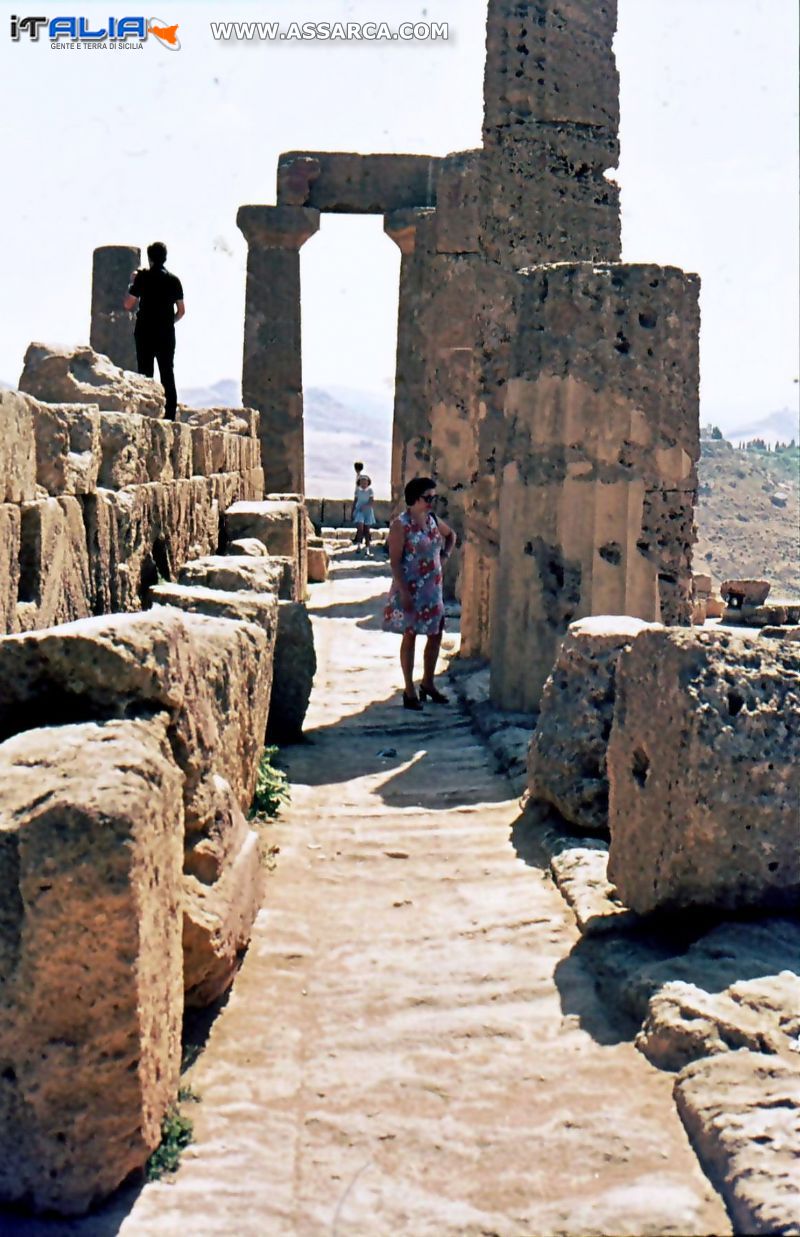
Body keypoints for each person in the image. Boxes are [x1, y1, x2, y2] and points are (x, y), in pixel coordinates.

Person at [382, 476, 456, 710]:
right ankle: (409, 689)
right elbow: (395, 562)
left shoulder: (432, 520)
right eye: (428, 498)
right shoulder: (400, 525)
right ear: (415, 498)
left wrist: (444, 557)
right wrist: (403, 592)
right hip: (411, 588)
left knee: (435, 634)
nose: (432, 502)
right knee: (410, 635)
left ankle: (428, 683)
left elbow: (451, 536)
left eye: (434, 497)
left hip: (432, 589)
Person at [123, 241, 184, 420]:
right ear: (165, 258)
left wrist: (132, 283)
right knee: (167, 371)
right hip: (165, 332)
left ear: (149, 258)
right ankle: (170, 414)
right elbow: (181, 311)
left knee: (145, 372)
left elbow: (128, 304)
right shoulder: (174, 280)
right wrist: (169, 322)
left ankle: (146, 411)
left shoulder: (142, 278)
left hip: (145, 331)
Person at [353, 473, 376, 555]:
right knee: (360, 529)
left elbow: (371, 501)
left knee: (367, 531)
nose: (364, 483)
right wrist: (353, 511)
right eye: (362, 482)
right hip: (359, 511)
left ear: (368, 483)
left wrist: (365, 506)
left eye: (365, 482)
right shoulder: (357, 491)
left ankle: (367, 549)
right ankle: (358, 546)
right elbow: (355, 501)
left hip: (368, 512)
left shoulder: (370, 491)